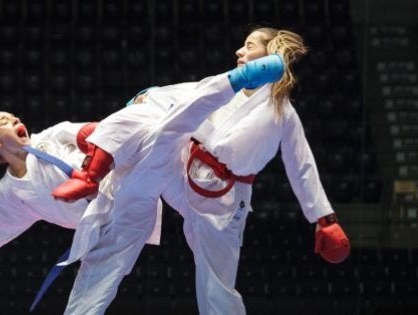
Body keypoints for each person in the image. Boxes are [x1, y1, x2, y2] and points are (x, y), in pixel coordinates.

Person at [54, 27, 350, 315]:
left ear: (269, 52)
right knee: (156, 129)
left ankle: (103, 154)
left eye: (249, 45)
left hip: (222, 202)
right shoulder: (218, 87)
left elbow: (302, 165)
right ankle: (96, 166)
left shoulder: (280, 112)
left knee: (217, 287)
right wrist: (143, 99)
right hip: (180, 169)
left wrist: (325, 219)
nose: (239, 50)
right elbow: (172, 98)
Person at [0, 111, 163, 272]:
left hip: (137, 181)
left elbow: (100, 131)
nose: (15, 120)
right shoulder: (10, 195)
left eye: (14, 117)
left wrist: (94, 139)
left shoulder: (51, 137)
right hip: (120, 227)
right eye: (4, 121)